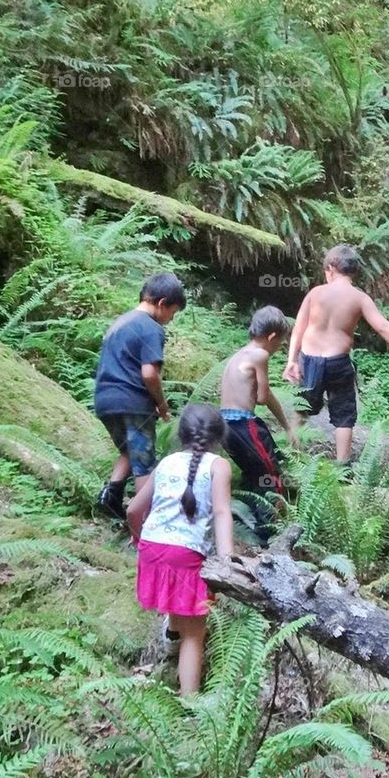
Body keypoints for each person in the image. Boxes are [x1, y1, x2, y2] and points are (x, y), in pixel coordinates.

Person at [126, 403, 233, 696]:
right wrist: (227, 562)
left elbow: (134, 510)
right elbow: (223, 513)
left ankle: (171, 637)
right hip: (185, 553)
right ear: (218, 436)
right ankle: (191, 702)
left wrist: (139, 540)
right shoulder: (218, 466)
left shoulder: (167, 462)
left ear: (182, 433)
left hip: (152, 547)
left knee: (177, 601)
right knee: (195, 635)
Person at [283, 244, 389, 462]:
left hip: (309, 360)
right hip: (338, 363)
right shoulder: (359, 298)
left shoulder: (315, 293)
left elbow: (298, 330)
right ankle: (342, 465)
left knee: (301, 409)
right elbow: (383, 327)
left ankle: (292, 455)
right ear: (354, 272)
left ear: (330, 268)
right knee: (344, 416)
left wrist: (291, 360)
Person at [94, 272, 186, 518]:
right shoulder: (150, 328)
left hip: (105, 400)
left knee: (128, 450)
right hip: (133, 403)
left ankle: (109, 496)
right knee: (144, 462)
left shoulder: (119, 323)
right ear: (162, 303)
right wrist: (161, 403)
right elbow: (149, 374)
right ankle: (146, 520)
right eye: (172, 313)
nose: (170, 319)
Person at [220, 305, 292, 545]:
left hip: (225, 427)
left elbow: (267, 396)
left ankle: (253, 524)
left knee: (253, 475)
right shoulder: (260, 355)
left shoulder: (239, 354)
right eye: (280, 343)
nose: (279, 348)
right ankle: (274, 531)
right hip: (244, 425)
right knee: (271, 475)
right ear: (271, 337)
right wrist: (287, 426)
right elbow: (262, 396)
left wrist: (286, 424)